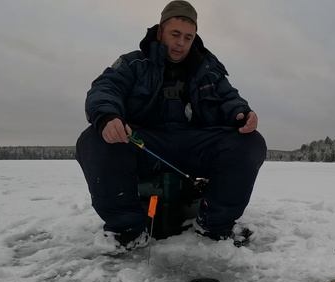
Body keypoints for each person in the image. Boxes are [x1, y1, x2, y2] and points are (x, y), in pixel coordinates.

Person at [76, 0, 266, 251]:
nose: (181, 43)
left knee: (250, 142)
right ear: (161, 31)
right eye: (175, 34)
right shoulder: (133, 63)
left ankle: (214, 226)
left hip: (195, 143)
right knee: (93, 139)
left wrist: (243, 114)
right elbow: (104, 89)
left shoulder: (209, 69)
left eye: (188, 37)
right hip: (145, 143)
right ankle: (127, 231)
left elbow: (229, 99)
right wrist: (109, 117)